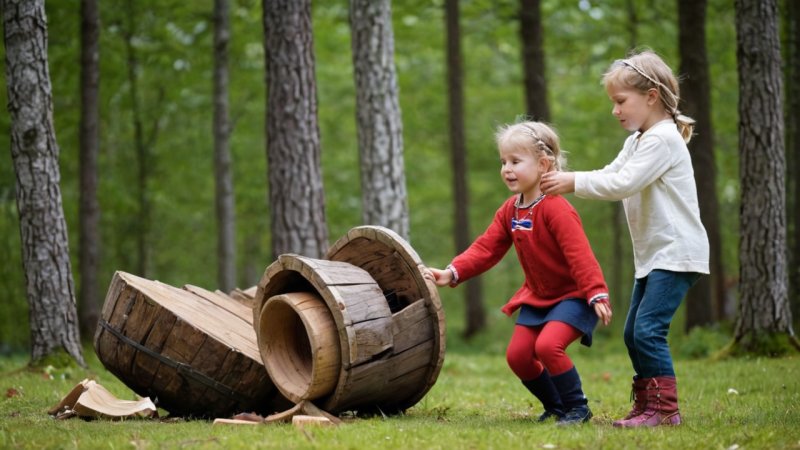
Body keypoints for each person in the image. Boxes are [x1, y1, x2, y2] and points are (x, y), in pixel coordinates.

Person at [540, 50, 710, 428]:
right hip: (654, 255)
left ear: (651, 96)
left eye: (620, 101)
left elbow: (622, 184)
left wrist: (572, 182)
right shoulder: (638, 140)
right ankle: (648, 404)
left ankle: (665, 411)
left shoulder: (663, 139)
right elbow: (611, 171)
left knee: (649, 331)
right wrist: (570, 179)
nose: (615, 110)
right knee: (634, 333)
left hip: (677, 253)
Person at [424, 121, 612, 426]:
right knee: (519, 356)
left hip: (574, 297)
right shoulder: (510, 210)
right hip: (538, 297)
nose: (507, 169)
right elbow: (486, 248)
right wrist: (452, 272)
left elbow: (580, 254)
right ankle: (557, 406)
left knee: (547, 347)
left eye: (515, 161)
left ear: (543, 164)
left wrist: (596, 291)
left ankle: (578, 408)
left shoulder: (556, 208)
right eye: (503, 162)